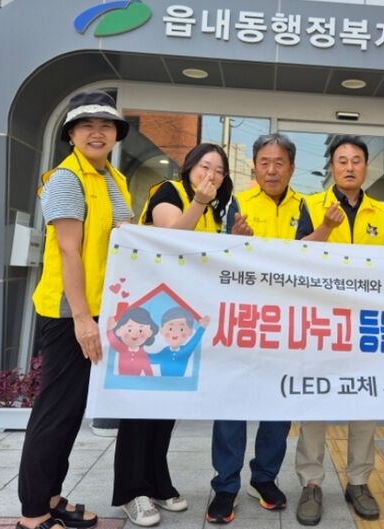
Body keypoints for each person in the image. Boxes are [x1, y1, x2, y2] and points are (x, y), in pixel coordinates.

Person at [17, 90, 132, 529]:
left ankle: (51, 497)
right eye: (87, 125)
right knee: (55, 411)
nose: (97, 133)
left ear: (116, 134)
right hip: (70, 313)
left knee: (69, 412)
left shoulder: (111, 178)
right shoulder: (67, 179)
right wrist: (82, 319)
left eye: (106, 125)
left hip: (99, 309)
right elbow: (69, 251)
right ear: (71, 134)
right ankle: (33, 515)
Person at [110, 143, 233, 526]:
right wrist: (198, 202)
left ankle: (157, 482)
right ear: (189, 166)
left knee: (165, 407)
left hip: (180, 319)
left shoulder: (212, 211)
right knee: (139, 407)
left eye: (219, 170)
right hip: (149, 315)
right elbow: (172, 238)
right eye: (205, 166)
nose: (211, 175)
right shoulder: (169, 192)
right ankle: (131, 491)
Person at [294, 136, 384, 526]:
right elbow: (297, 254)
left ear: (366, 166)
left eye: (356, 160)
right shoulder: (312, 205)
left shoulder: (381, 212)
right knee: (316, 400)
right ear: (331, 167)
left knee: (364, 400)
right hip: (322, 320)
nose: (349, 167)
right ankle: (311, 483)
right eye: (342, 160)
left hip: (366, 322)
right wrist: (325, 227)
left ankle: (359, 481)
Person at [206, 133, 303, 524]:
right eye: (264, 162)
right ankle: (225, 486)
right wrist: (234, 242)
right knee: (231, 403)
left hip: (288, 322)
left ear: (291, 168)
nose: (272, 170)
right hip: (243, 319)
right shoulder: (238, 202)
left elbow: (313, 257)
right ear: (254, 167)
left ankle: (264, 478)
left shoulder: (307, 206)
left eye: (279, 163)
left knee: (278, 404)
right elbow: (219, 259)